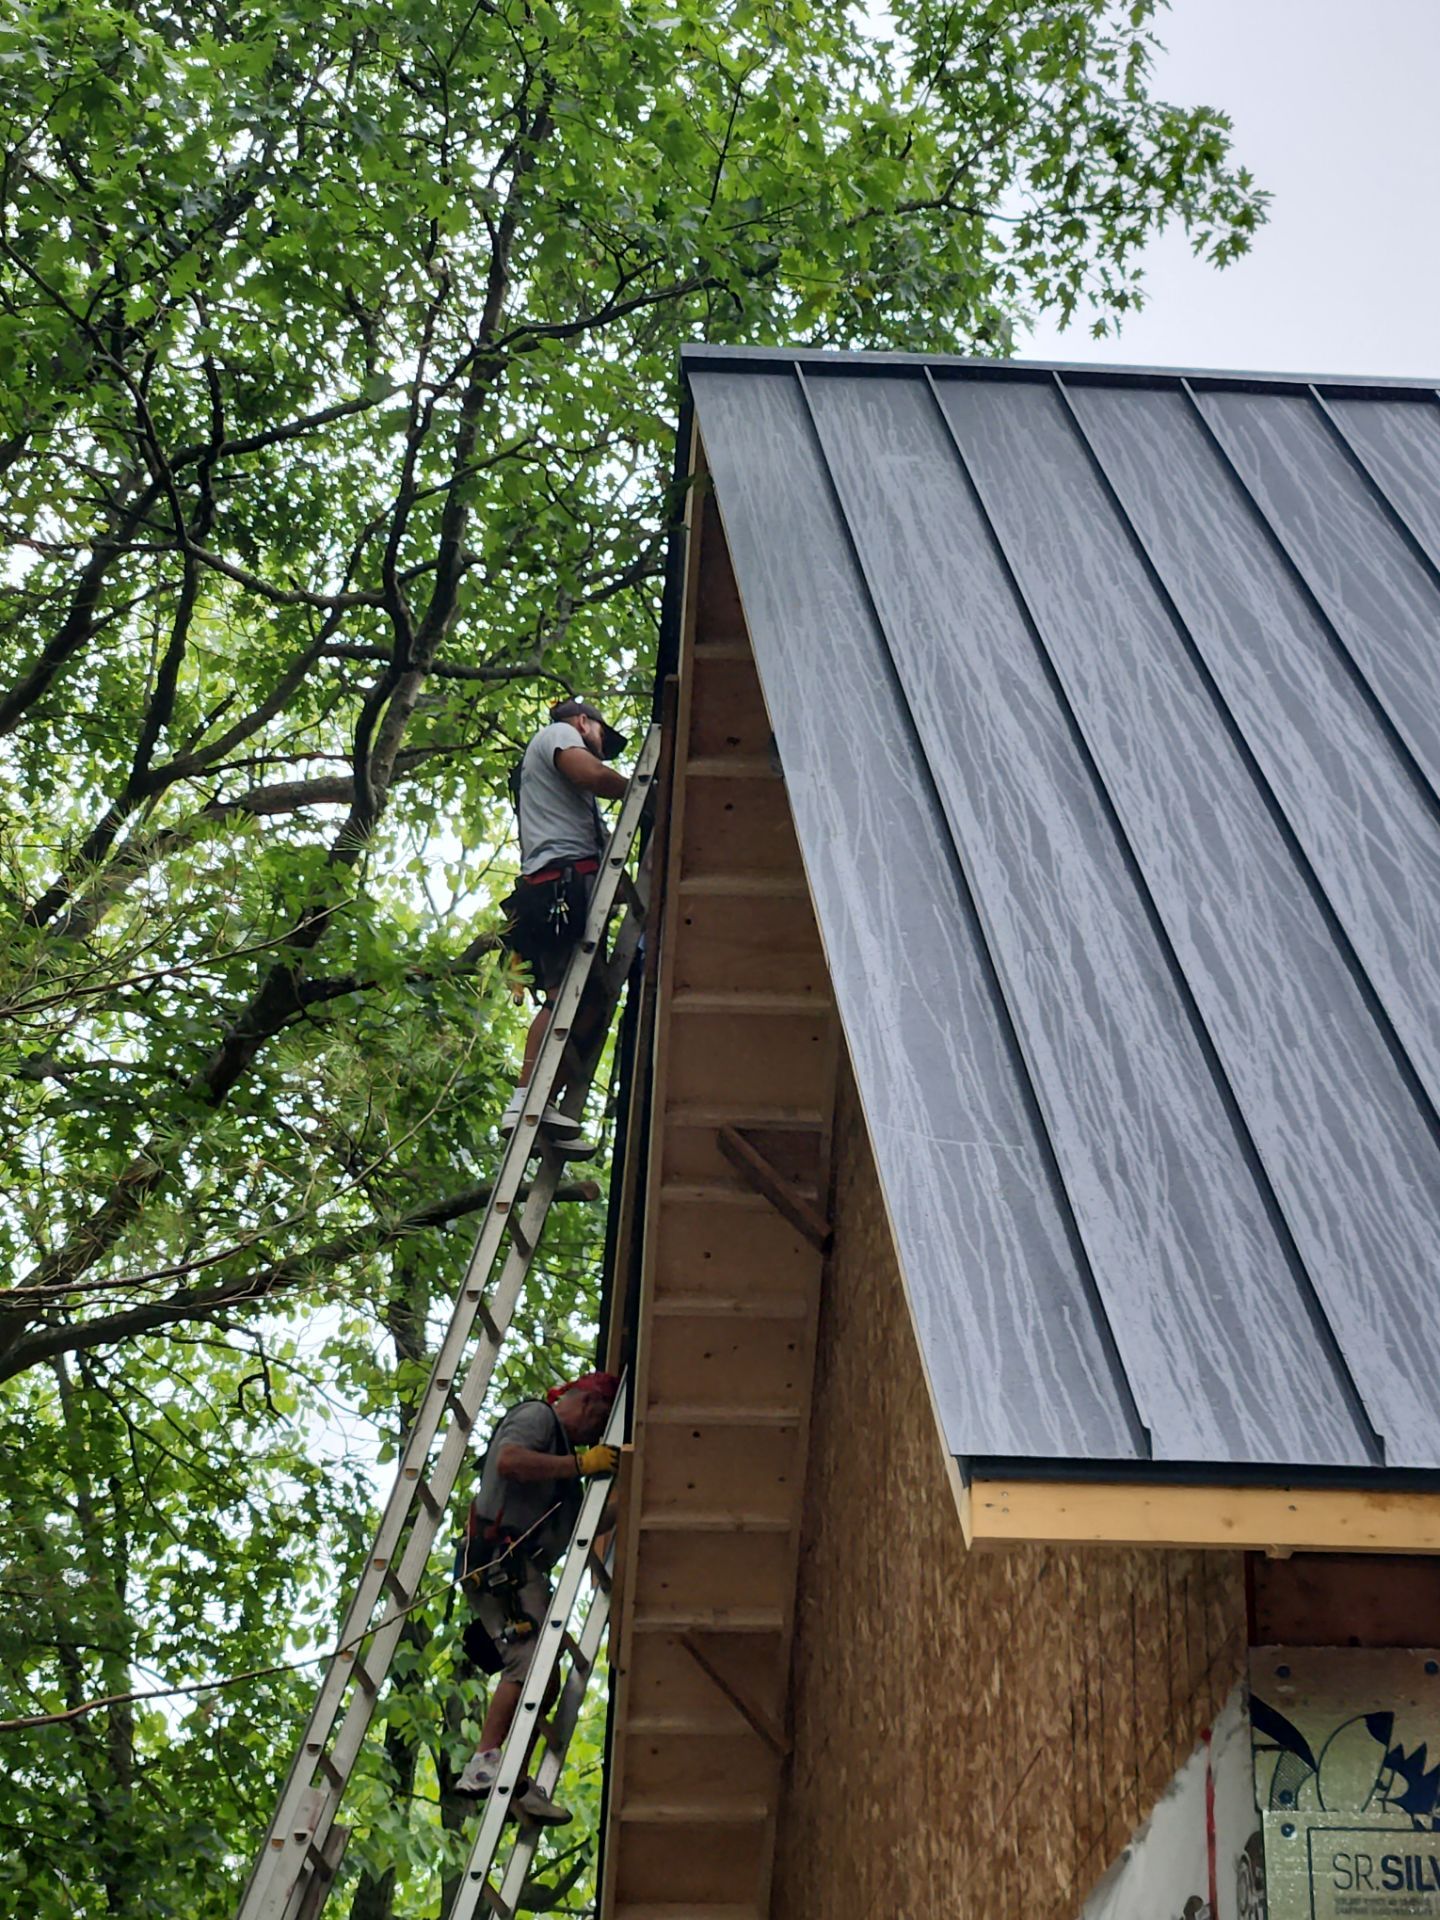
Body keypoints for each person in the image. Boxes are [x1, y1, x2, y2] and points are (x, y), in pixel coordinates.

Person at [454, 1371, 621, 1822]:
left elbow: (583, 1527)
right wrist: (581, 1466)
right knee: (528, 1664)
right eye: (596, 1423)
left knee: (542, 1679)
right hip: (499, 1561)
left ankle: (515, 1780)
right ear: (586, 1403)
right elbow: (509, 1461)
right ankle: (485, 1763)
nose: (591, 1438)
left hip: (518, 1568)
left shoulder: (565, 1468)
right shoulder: (538, 1417)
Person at [498, 698, 629, 1141]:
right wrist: (643, 789)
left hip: (570, 887)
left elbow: (605, 843)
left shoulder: (576, 804)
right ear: (581, 721)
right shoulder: (558, 736)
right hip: (555, 889)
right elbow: (589, 773)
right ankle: (522, 1103)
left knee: (591, 1001)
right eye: (599, 736)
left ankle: (542, 1104)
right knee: (561, 998)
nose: (599, 749)